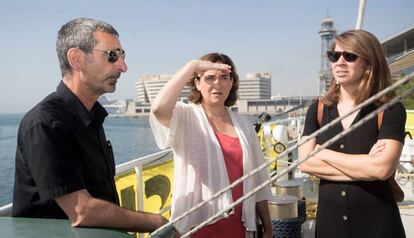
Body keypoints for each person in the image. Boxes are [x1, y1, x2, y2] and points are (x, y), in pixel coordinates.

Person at [12, 17, 171, 233]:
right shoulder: (44, 123)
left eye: (122, 56)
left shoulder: (91, 117)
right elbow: (81, 211)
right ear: (76, 59)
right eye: (112, 55)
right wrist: (159, 223)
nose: (123, 66)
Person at [149, 53, 272, 238]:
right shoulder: (186, 117)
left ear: (231, 83)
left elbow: (259, 181)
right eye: (209, 77)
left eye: (224, 77)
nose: (217, 84)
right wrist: (192, 66)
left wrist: (268, 227)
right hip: (197, 226)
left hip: (239, 225)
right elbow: (158, 108)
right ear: (197, 83)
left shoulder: (244, 125)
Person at [298, 30, 406, 238]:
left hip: (378, 227)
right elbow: (304, 163)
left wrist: (321, 153)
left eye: (349, 56)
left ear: (368, 62)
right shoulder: (318, 109)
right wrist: (365, 166)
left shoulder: (390, 109)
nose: (339, 62)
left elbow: (382, 169)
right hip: (330, 227)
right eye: (334, 56)